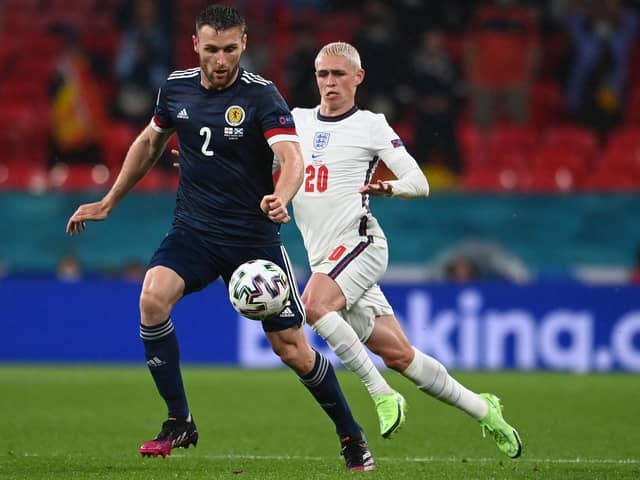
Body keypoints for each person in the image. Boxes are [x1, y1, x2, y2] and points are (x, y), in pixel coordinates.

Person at [66, 6, 374, 472]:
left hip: (253, 241)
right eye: (212, 49)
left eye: (230, 49)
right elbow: (150, 143)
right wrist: (109, 201)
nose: (221, 59)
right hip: (194, 230)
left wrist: (281, 197)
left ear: (244, 44)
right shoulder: (176, 88)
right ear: (196, 45)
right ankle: (179, 420)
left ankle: (351, 433)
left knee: (291, 348)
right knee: (152, 298)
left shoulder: (262, 96)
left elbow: (291, 159)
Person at [287, 41, 523, 459]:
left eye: (339, 74)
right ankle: (485, 409)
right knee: (400, 354)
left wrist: (388, 187)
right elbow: (266, 166)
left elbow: (420, 183)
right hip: (326, 258)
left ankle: (381, 394)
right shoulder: (297, 121)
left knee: (314, 305)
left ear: (358, 78)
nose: (330, 83)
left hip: (361, 245)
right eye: (323, 74)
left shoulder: (371, 124)